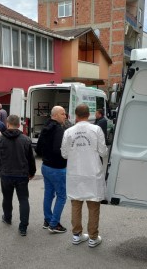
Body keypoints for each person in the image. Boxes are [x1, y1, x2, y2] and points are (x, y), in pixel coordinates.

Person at [61, 104, 108, 248]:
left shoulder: (68, 131)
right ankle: (93, 237)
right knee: (93, 206)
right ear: (89, 115)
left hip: (75, 173)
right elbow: (103, 152)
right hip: (92, 173)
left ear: (75, 115)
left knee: (76, 205)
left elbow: (64, 154)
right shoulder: (96, 129)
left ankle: (77, 235)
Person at [0, 115, 36, 236]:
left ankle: (7, 218)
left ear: (7, 124)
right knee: (23, 200)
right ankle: (23, 227)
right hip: (22, 175)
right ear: (19, 124)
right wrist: (32, 172)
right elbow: (31, 159)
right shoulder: (26, 139)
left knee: (7, 198)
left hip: (6, 174)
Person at [35, 106, 67, 233]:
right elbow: (57, 149)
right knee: (62, 196)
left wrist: (46, 155)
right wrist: (66, 157)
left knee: (48, 194)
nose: (65, 116)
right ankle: (54, 224)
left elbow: (37, 148)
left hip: (45, 166)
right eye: (63, 114)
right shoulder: (58, 129)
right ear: (56, 115)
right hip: (57, 168)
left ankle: (47, 220)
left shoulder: (45, 127)